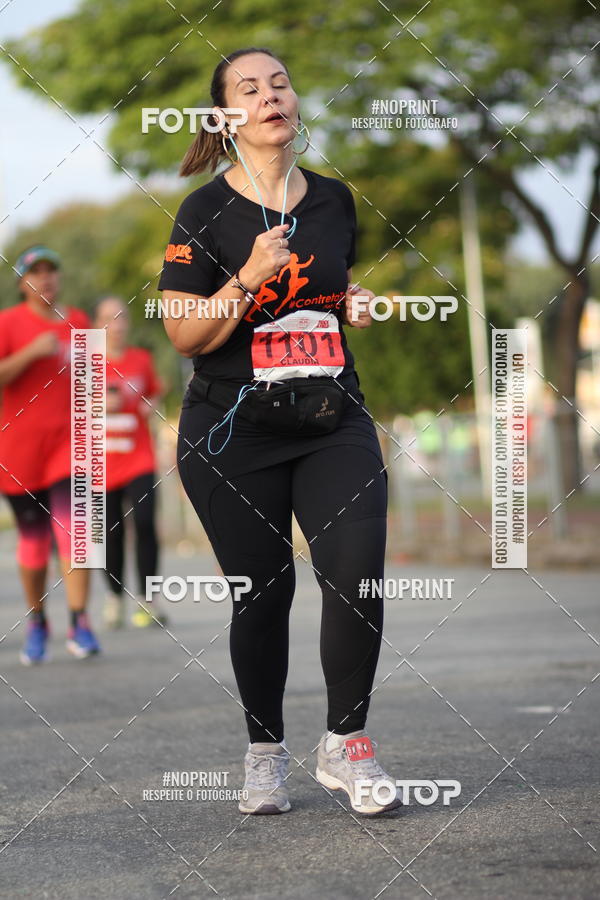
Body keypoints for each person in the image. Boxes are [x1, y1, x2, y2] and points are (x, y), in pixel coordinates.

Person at [158, 48, 401, 816]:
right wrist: (245, 279)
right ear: (226, 117)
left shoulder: (334, 200)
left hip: (332, 417)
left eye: (281, 84)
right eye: (250, 88)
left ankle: (347, 745)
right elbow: (184, 334)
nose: (271, 96)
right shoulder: (202, 211)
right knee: (263, 595)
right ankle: (264, 753)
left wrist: (349, 301)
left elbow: (328, 285)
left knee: (356, 574)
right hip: (232, 431)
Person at [0, 246, 100, 664]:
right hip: (19, 452)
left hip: (70, 446)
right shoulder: (7, 323)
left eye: (51, 271)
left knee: (78, 532)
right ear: (22, 282)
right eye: (36, 272)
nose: (45, 278)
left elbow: (93, 379)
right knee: (34, 542)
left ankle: (80, 621)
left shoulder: (78, 320)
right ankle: (38, 620)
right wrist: (31, 353)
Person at [92, 296, 167, 628]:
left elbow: (154, 391)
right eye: (109, 318)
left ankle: (148, 600)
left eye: (122, 317)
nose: (117, 325)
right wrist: (96, 405)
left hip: (139, 458)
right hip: (102, 462)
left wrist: (151, 404)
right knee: (111, 532)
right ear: (97, 324)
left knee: (147, 523)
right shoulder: (88, 363)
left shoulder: (141, 359)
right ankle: (114, 597)